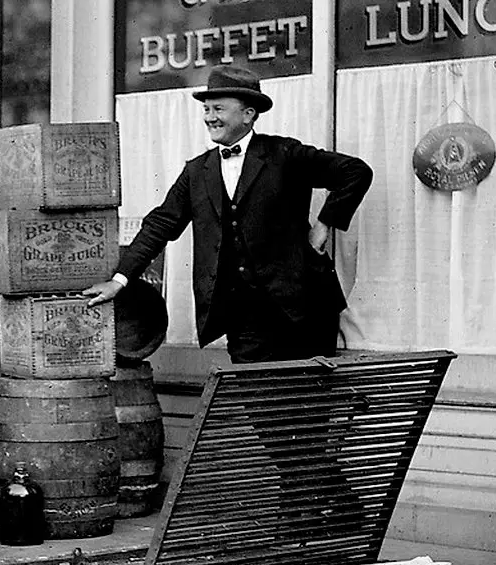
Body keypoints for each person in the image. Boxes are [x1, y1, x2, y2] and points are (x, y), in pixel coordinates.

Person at [85, 64, 373, 362]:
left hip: (305, 311)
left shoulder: (284, 155)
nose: (210, 117)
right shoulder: (197, 171)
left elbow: (355, 171)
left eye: (218, 108)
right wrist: (120, 280)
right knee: (250, 397)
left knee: (305, 402)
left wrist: (324, 226)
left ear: (248, 114)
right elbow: (161, 224)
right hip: (244, 319)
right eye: (207, 109)